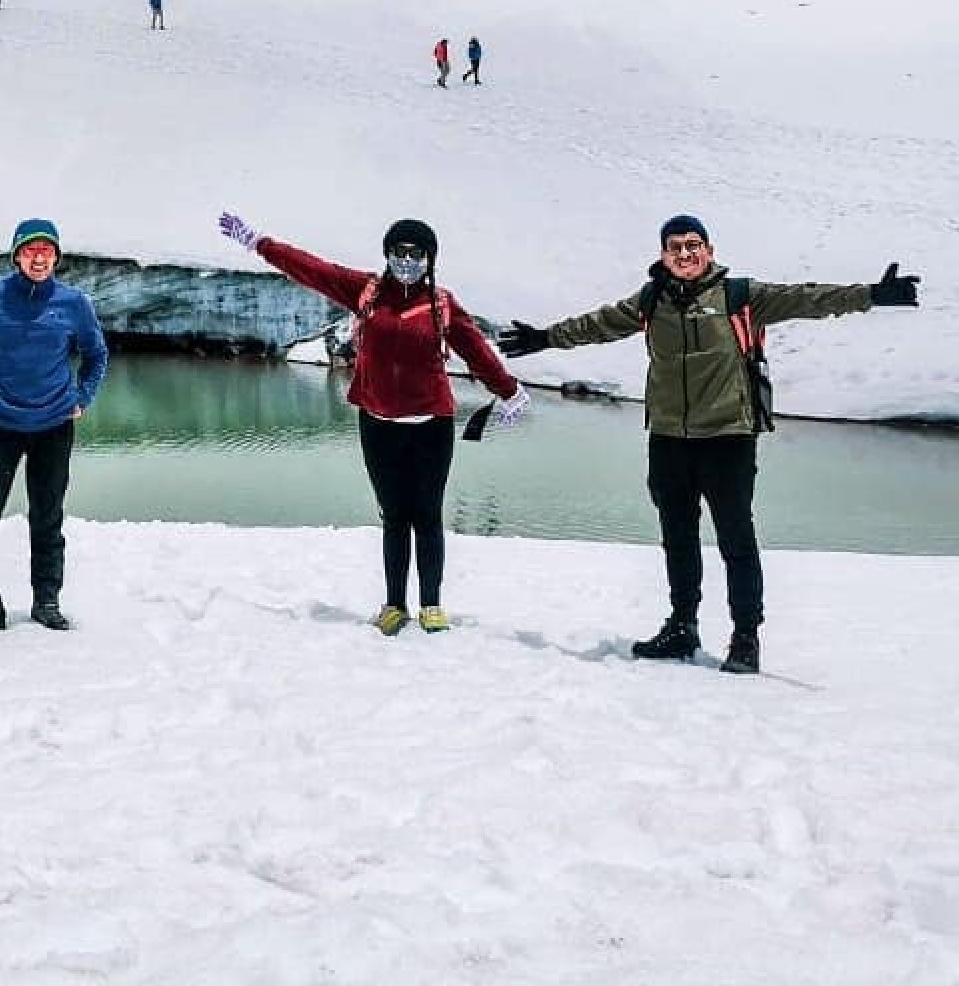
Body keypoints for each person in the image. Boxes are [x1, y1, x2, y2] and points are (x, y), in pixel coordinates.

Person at [500, 215, 919, 674]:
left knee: (736, 539)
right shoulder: (650, 300)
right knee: (677, 538)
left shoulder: (741, 297)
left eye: (693, 245)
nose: (684, 254)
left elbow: (808, 298)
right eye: (675, 246)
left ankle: (745, 638)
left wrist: (872, 296)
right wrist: (545, 338)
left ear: (710, 250)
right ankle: (682, 626)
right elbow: (599, 323)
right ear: (663, 254)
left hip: (727, 437)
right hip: (668, 439)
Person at [219, 209, 527, 635]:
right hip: (379, 424)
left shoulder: (441, 304)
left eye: (416, 253)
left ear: (429, 259)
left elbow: (476, 349)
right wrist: (258, 243)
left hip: (431, 426)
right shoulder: (365, 291)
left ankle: (432, 605)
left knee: (428, 515)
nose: (407, 260)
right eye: (399, 252)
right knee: (395, 515)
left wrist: (509, 390)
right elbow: (312, 269)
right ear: (387, 254)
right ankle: (395, 605)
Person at [0, 218, 108, 630]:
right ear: (17, 256)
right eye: (30, 250)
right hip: (0, 422)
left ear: (56, 257)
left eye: (46, 250)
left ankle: (46, 599)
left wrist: (82, 397)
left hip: (54, 423)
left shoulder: (73, 303)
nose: (39, 257)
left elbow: (96, 354)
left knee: (47, 513)